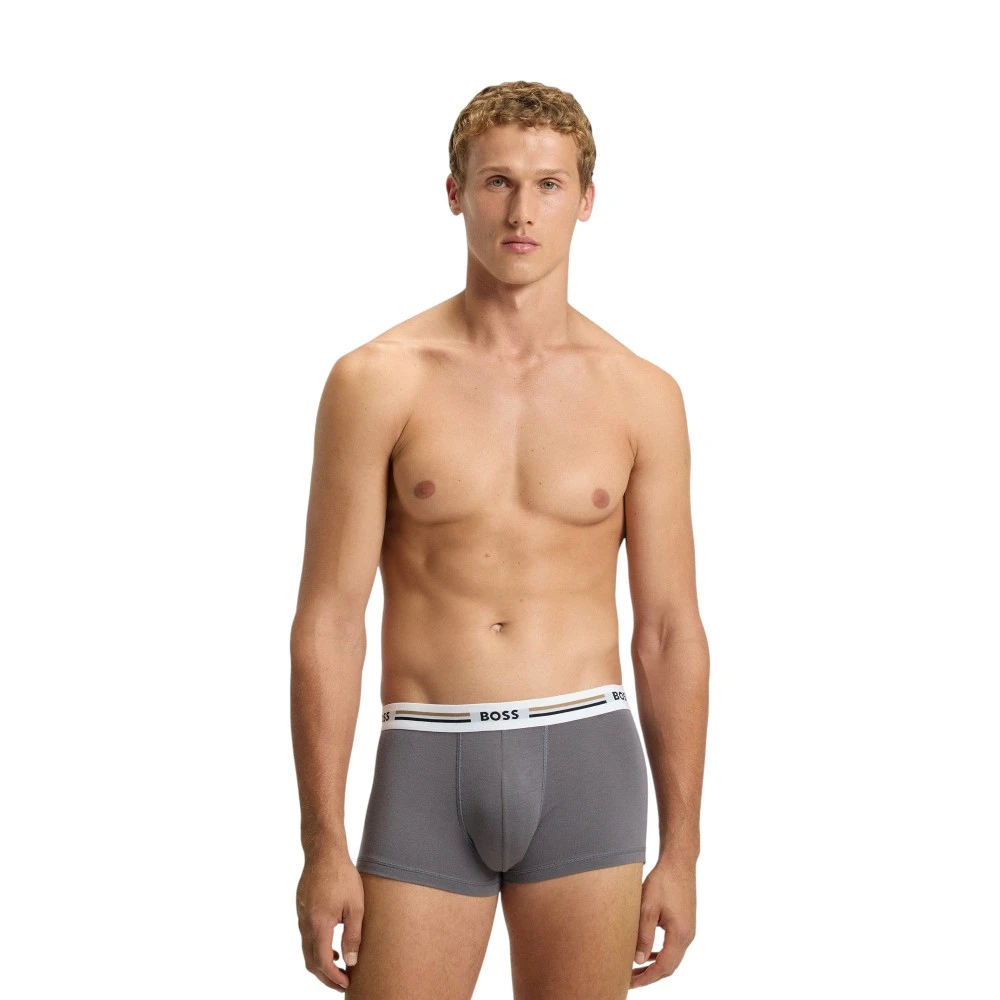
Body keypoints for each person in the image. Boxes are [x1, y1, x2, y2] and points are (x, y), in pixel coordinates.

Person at [290, 80, 709, 998]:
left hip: (587, 761)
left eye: (549, 185)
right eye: (498, 182)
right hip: (427, 761)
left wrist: (682, 851)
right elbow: (329, 621)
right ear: (455, 192)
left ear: (586, 200)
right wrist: (323, 844)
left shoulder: (642, 394)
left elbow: (669, 629)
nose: (522, 212)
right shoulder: (376, 381)